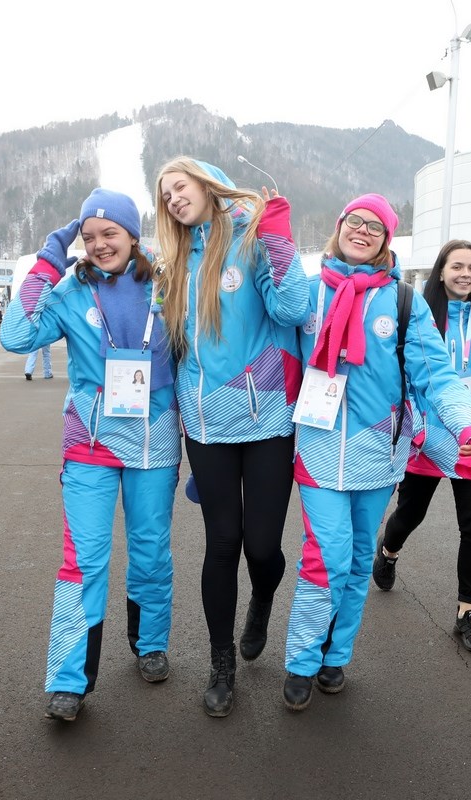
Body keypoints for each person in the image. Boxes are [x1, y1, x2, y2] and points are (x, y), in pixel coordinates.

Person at [282, 196, 471, 711]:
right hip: (317, 447)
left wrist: (467, 424)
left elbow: (436, 373)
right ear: (339, 226)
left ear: (387, 240)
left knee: (354, 561)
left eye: (376, 227)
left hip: (379, 452)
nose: (364, 231)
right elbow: (271, 361)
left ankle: (336, 656)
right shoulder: (306, 295)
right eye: (356, 221)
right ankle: (303, 658)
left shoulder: (404, 302)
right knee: (323, 556)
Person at [1, 188, 179, 723]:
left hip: (156, 440)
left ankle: (149, 642)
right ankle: (68, 679)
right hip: (90, 442)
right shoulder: (70, 291)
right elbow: (14, 336)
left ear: (133, 235)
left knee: (150, 550)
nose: (100, 245)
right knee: (82, 560)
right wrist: (47, 262)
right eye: (89, 236)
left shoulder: (170, 288)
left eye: (111, 234)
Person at [155, 157, 309, 717]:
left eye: (180, 186)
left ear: (207, 183)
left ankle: (264, 594)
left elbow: (294, 307)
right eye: (165, 193)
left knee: (261, 546)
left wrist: (277, 237)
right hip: (206, 425)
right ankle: (222, 665)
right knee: (222, 543)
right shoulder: (171, 262)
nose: (173, 198)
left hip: (266, 416)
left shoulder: (251, 240)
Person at [374, 239, 471, 654]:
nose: (465, 274)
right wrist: (419, 429)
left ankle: (467, 613)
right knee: (410, 514)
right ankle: (388, 552)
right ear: (440, 271)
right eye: (457, 266)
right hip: (427, 440)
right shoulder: (417, 319)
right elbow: (403, 381)